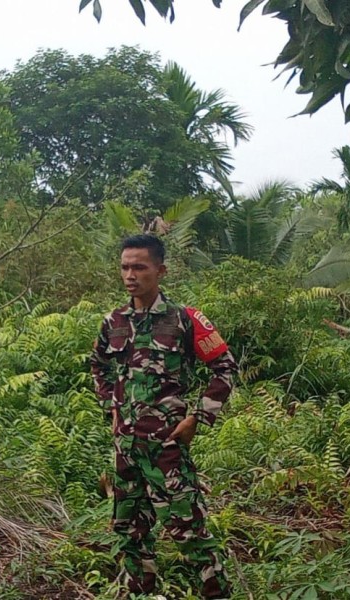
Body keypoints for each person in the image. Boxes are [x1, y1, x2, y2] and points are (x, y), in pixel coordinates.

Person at [89, 234, 236, 599]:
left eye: (139, 267)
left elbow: (224, 367)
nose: (130, 275)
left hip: (166, 448)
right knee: (130, 531)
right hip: (126, 450)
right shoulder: (114, 321)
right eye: (124, 267)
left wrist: (198, 418)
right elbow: (98, 366)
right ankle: (140, 593)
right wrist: (112, 406)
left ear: (161, 270)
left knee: (188, 531)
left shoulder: (184, 319)